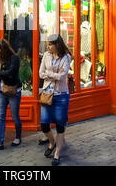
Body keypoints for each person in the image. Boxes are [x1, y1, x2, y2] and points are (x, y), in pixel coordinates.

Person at [39, 34, 71, 166]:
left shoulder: (66, 57)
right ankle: (52, 142)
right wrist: (53, 75)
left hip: (61, 95)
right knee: (44, 124)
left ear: (57, 45)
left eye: (50, 44)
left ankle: (57, 153)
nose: (48, 47)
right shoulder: (46, 55)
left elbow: (63, 77)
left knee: (60, 125)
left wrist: (49, 74)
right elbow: (41, 73)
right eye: (47, 44)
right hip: (47, 94)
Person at [0, 38, 21, 150]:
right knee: (1, 117)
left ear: (3, 49)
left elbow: (11, 72)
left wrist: (0, 74)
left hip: (13, 91)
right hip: (1, 92)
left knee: (15, 116)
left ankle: (18, 137)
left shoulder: (14, 58)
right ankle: (0, 142)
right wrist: (4, 74)